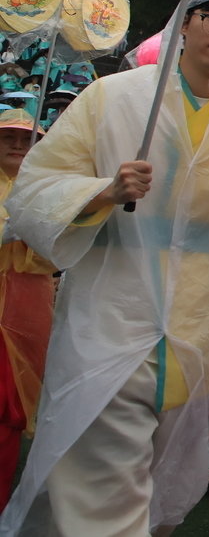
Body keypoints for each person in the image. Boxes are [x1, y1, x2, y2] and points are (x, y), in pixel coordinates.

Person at [2, 0, 209, 536]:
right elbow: (34, 190)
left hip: (203, 330)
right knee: (98, 484)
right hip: (114, 318)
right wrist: (102, 192)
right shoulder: (113, 97)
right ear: (185, 23)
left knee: (159, 484)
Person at [0, 109, 54, 510]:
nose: (19, 146)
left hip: (30, 301)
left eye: (26, 140)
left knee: (19, 400)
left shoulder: (45, 187)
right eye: (10, 139)